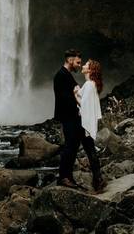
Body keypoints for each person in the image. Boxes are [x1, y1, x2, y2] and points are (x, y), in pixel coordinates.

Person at [53, 48, 83, 188]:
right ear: (70, 60)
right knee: (69, 146)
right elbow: (64, 98)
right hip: (68, 116)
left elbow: (73, 93)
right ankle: (63, 177)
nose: (79, 65)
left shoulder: (66, 75)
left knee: (73, 145)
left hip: (72, 115)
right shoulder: (61, 75)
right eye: (78, 62)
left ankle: (68, 176)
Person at [75, 59, 105, 192]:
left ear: (91, 70)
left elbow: (84, 105)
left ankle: (98, 179)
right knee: (90, 149)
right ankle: (98, 178)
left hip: (84, 123)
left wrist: (74, 94)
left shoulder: (89, 84)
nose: (83, 65)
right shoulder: (91, 84)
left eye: (86, 64)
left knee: (90, 150)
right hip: (86, 121)